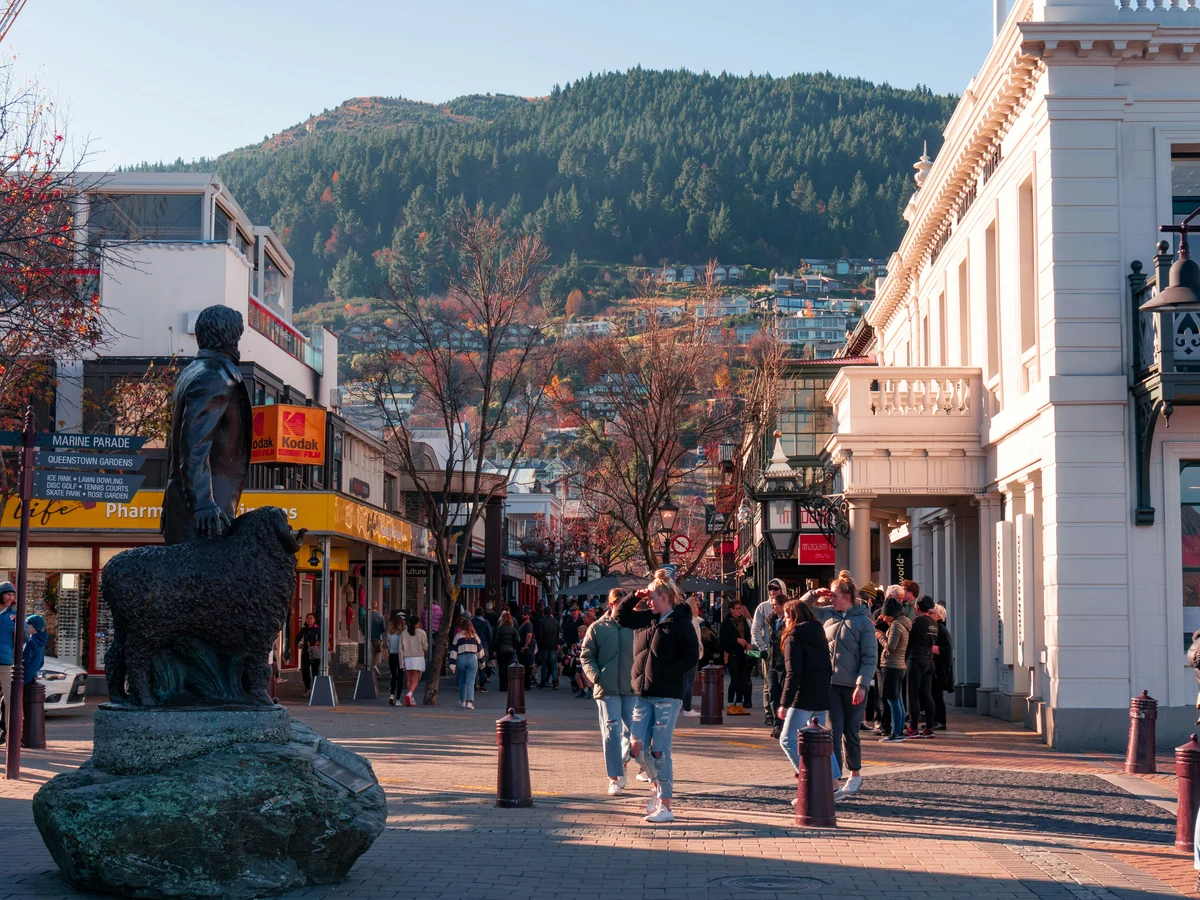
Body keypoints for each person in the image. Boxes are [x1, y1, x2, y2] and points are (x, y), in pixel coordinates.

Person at [617, 570, 699, 824]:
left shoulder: (681, 623)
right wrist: (635, 595)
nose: (648, 601)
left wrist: (666, 674)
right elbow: (621, 616)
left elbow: (691, 656)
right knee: (636, 746)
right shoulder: (646, 619)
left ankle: (665, 804)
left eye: (652, 597)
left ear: (665, 597)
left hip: (666, 696)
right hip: (643, 694)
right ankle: (655, 786)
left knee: (660, 750)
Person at [804, 570, 876, 799]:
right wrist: (814, 593)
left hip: (853, 686)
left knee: (850, 731)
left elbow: (869, 657)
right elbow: (802, 609)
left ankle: (855, 774)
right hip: (831, 684)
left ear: (846, 596)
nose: (830, 599)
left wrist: (862, 685)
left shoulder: (863, 621)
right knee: (833, 732)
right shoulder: (828, 616)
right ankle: (833, 778)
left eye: (834, 595)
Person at [776, 599, 842, 799]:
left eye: (787, 617)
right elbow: (827, 666)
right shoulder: (819, 632)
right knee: (821, 742)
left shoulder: (793, 637)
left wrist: (784, 703)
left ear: (793, 618)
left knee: (787, 739)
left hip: (802, 697)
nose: (784, 621)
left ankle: (813, 782)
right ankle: (833, 784)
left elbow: (793, 673)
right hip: (821, 695)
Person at [581, 588, 637, 794]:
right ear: (612, 605)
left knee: (635, 732)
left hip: (632, 687)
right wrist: (596, 677)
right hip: (607, 688)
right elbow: (586, 655)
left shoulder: (634, 625)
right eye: (622, 604)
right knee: (611, 732)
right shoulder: (597, 628)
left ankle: (622, 762)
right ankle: (614, 776)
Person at [752, 578, 787, 728]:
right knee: (769, 685)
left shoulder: (789, 606)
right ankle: (770, 714)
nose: (772, 591)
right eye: (770, 589)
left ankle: (784, 714)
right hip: (770, 652)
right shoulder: (763, 607)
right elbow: (755, 629)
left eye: (775, 588)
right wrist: (762, 648)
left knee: (785, 685)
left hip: (786, 653)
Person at [876, 595, 910, 743]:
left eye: (885, 615)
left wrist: (880, 636)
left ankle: (897, 733)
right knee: (898, 700)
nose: (883, 618)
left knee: (892, 700)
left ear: (892, 614)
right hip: (899, 666)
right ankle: (899, 730)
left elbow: (891, 646)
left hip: (892, 666)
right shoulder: (903, 623)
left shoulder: (896, 625)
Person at [906, 597, 938, 737]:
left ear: (917, 608)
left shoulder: (917, 622)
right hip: (929, 660)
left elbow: (908, 639)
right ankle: (930, 728)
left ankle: (913, 728)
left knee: (912, 695)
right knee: (927, 694)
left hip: (916, 659)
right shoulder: (933, 622)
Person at [762, 588, 788, 739]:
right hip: (772, 661)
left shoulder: (790, 620)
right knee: (773, 693)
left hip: (785, 662)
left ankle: (784, 724)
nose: (772, 608)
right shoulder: (772, 620)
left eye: (774, 605)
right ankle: (777, 724)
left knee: (785, 695)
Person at [720, 600, 753, 715]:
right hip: (732, 655)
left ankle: (739, 704)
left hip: (743, 655)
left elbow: (748, 634)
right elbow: (723, 639)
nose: (740, 611)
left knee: (742, 679)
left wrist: (748, 643)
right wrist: (736, 640)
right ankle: (730, 704)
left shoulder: (743, 621)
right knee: (734, 680)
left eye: (741, 608)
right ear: (732, 610)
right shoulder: (727, 622)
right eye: (737, 608)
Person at [449, 618, 482, 710]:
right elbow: (480, 650)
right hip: (472, 658)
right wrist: (482, 661)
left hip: (461, 658)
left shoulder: (458, 636)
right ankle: (469, 702)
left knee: (462, 681)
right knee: (471, 681)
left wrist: (452, 663)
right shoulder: (475, 636)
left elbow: (454, 650)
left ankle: (462, 700)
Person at [679, 595, 703, 718]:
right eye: (697, 605)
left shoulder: (687, 619)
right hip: (691, 653)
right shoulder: (693, 621)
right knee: (689, 681)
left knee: (684, 681)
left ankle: (683, 705)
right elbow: (696, 639)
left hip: (684, 653)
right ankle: (687, 707)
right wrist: (700, 650)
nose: (698, 607)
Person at [931, 604, 953, 731]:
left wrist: (929, 648)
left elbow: (946, 650)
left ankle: (940, 721)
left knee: (937, 695)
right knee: (933, 694)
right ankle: (934, 720)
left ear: (938, 616)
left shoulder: (941, 629)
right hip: (936, 667)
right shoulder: (935, 628)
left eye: (931, 613)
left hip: (940, 668)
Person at [400, 615, 428, 707]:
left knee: (409, 679)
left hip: (407, 657)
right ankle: (410, 694)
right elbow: (425, 646)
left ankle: (411, 697)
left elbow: (400, 648)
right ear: (418, 623)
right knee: (415, 680)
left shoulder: (404, 633)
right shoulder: (421, 632)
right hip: (418, 657)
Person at [0, 583, 15, 743]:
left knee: (9, 698)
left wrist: (20, 625)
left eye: (13, 595)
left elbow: (24, 638)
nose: (11, 597)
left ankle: (10, 734)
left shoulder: (15, 614)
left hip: (5, 661)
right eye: (8, 594)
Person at [534, 607, 561, 689]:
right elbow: (558, 633)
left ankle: (543, 681)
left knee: (544, 664)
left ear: (544, 613)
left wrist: (539, 642)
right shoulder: (555, 622)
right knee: (553, 664)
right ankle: (555, 682)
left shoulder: (541, 622)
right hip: (553, 645)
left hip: (544, 645)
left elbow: (539, 634)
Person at [295, 613, 321, 694]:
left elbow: (321, 637)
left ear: (314, 620)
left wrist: (318, 642)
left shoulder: (318, 629)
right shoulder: (303, 629)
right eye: (307, 618)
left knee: (315, 670)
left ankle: (316, 688)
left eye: (311, 618)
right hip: (306, 651)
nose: (309, 620)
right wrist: (298, 643)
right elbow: (297, 638)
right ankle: (307, 687)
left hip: (314, 651)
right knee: (305, 670)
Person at [493, 610, 518, 691]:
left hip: (501, 650)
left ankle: (502, 684)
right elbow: (517, 640)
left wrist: (494, 650)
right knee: (508, 667)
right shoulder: (513, 629)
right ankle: (507, 683)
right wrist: (514, 648)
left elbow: (495, 640)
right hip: (510, 650)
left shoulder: (499, 629)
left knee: (501, 667)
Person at [385, 613, 406, 705]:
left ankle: (392, 694)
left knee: (394, 676)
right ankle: (398, 699)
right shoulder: (403, 633)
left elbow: (388, 645)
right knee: (401, 677)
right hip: (400, 656)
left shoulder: (390, 633)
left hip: (392, 655)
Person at [471, 607, 493, 693]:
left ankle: (473, 685)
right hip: (483, 646)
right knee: (482, 666)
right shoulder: (486, 623)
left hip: (473, 646)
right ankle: (482, 685)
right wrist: (488, 644)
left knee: (473, 667)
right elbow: (490, 635)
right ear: (483, 614)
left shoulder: (472, 622)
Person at [23, 615, 47, 686]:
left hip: (24, 676)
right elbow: (41, 662)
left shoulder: (30, 642)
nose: (26, 626)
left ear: (34, 626)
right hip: (32, 676)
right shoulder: (41, 642)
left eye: (27, 624)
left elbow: (25, 661)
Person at [518, 608, 537, 690]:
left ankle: (527, 684)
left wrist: (525, 646)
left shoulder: (528, 625)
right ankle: (526, 683)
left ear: (528, 616)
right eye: (522, 614)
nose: (523, 615)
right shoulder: (523, 624)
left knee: (526, 667)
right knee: (524, 667)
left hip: (527, 650)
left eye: (525, 614)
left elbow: (529, 635)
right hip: (525, 649)